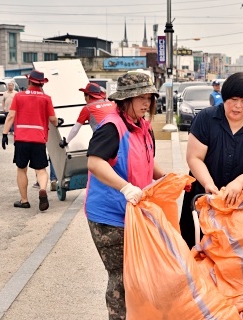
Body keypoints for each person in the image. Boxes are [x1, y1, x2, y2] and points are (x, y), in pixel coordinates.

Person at [85, 72, 166, 320]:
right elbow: (95, 162)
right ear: (125, 99)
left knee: (139, 274)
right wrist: (125, 187)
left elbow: (148, 161)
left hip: (134, 211)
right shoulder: (111, 127)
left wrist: (167, 179)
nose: (145, 103)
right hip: (109, 216)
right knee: (120, 275)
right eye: (140, 97)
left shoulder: (143, 125)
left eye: (148, 98)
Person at [180, 72, 243, 248]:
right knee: (199, 251)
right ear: (224, 97)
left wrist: (239, 183)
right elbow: (194, 157)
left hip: (242, 202)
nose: (238, 106)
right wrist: (208, 184)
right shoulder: (206, 119)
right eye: (233, 99)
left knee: (241, 255)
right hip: (204, 199)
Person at [1, 70, 62, 212]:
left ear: (29, 81)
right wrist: (58, 122)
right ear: (41, 84)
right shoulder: (46, 98)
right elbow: (53, 120)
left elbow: (11, 116)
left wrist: (4, 134)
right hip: (39, 139)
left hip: (22, 139)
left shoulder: (19, 96)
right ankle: (42, 190)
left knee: (21, 169)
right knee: (41, 169)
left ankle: (24, 201)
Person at [58, 82, 116, 148]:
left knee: (92, 155)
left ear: (88, 96)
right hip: (118, 137)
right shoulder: (112, 104)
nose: (84, 99)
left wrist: (66, 142)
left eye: (84, 96)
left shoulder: (88, 108)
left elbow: (76, 128)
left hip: (103, 140)